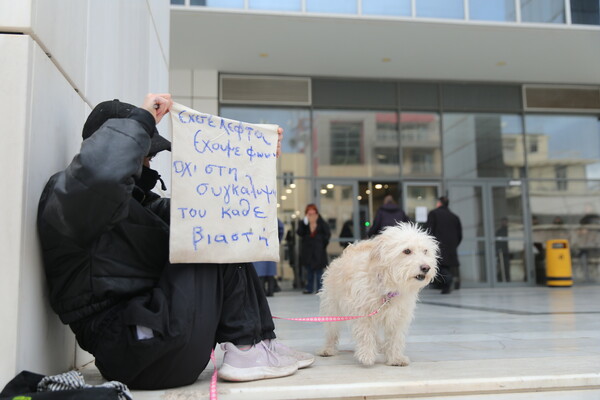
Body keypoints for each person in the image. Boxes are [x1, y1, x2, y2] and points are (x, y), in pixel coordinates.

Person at [36, 93, 313, 389]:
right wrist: (140, 122)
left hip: (151, 341)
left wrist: (257, 158)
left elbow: (214, 205)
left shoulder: (140, 205)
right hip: (138, 346)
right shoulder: (73, 197)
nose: (149, 160)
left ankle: (257, 343)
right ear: (107, 143)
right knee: (206, 234)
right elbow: (102, 174)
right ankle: (247, 349)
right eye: (144, 152)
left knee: (218, 221)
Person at [425, 196, 463, 294]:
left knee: (439, 265)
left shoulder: (433, 214)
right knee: (446, 266)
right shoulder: (454, 217)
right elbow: (460, 235)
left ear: (439, 203)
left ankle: (448, 281)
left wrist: (429, 244)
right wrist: (454, 244)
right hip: (451, 246)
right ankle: (446, 284)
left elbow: (429, 230)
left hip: (438, 245)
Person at [296, 204, 331, 294]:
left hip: (318, 251)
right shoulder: (304, 223)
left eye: (313, 212)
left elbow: (327, 234)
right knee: (309, 272)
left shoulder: (321, 222)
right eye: (309, 212)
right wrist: (305, 222)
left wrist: (322, 244)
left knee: (319, 272)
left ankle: (320, 288)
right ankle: (309, 288)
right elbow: (300, 232)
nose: (311, 214)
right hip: (308, 251)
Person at [253, 218, 284, 297]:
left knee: (260, 273)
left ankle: (262, 293)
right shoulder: (271, 215)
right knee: (270, 273)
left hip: (258, 247)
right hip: (270, 246)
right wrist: (276, 241)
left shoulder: (254, 216)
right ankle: (271, 291)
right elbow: (281, 229)